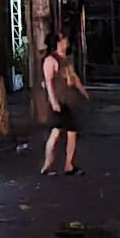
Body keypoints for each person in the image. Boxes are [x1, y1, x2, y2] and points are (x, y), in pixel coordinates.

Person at [39, 28, 83, 176]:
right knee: (56, 132)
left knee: (71, 132)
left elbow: (74, 77)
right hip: (60, 101)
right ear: (57, 43)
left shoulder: (66, 59)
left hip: (69, 101)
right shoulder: (51, 60)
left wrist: (83, 92)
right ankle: (47, 165)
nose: (66, 42)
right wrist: (53, 101)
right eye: (63, 40)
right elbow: (49, 82)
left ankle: (68, 165)